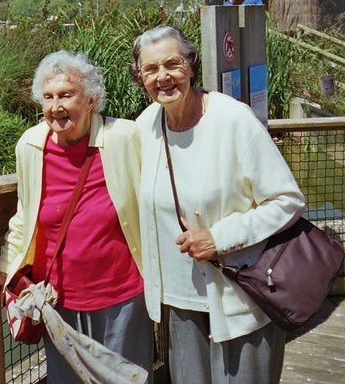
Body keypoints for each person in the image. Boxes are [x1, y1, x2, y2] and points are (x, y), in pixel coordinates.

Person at [129, 25, 305, 384]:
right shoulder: (146, 126)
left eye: (173, 64)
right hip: (178, 304)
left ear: (191, 67)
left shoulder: (233, 119)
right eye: (151, 69)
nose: (163, 77)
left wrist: (219, 238)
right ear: (140, 78)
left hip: (241, 295)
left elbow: (287, 201)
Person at [0, 50, 153, 383]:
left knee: (127, 377)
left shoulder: (125, 137)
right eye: (48, 97)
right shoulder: (31, 145)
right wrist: (5, 265)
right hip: (57, 300)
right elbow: (26, 214)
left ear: (91, 99)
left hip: (122, 294)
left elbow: (155, 197)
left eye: (66, 95)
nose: (56, 106)